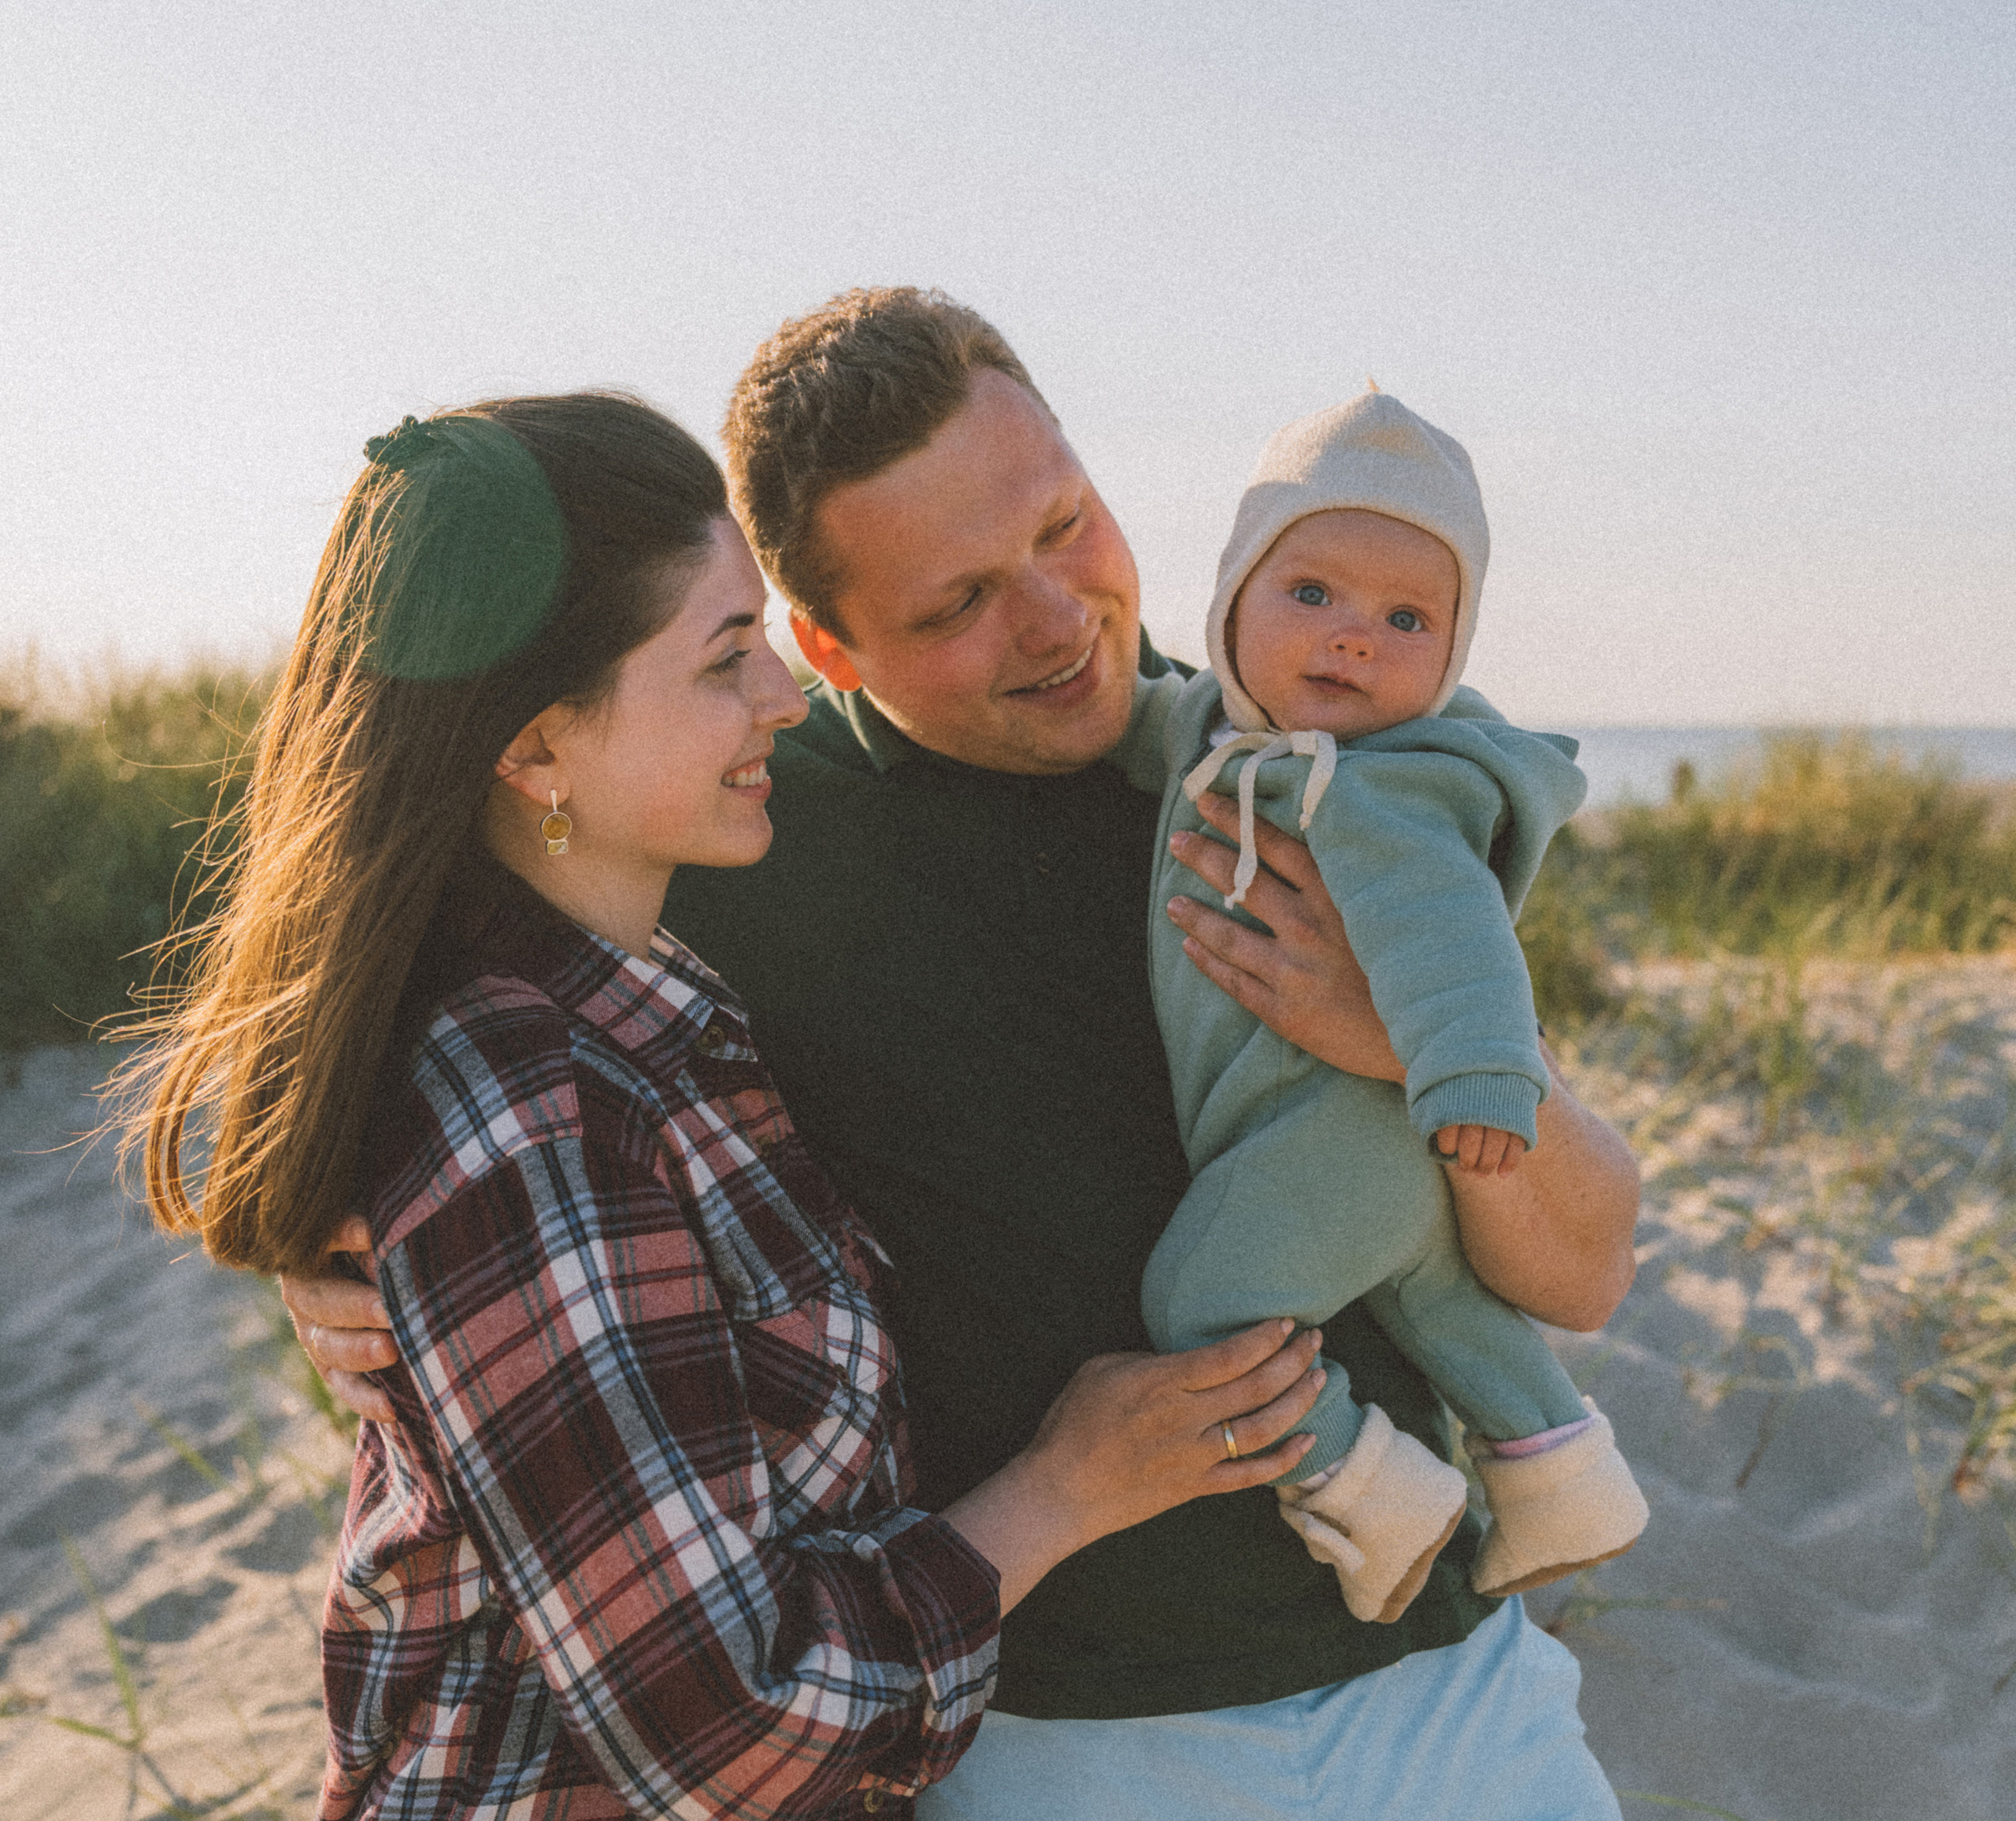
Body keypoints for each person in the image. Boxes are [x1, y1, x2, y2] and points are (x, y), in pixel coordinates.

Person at [285, 296, 1641, 1820]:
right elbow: (394, 931)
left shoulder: (1285, 766)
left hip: (1449, 1682)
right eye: (956, 606)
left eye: (1067, 524)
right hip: (1053, 1736)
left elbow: (1583, 1270)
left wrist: (1401, 1045)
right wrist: (317, 1239)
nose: (1061, 618)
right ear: (824, 644)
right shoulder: (729, 817)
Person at [127, 394, 1326, 1820]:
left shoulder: (647, 1005)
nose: (784, 700)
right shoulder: (530, 1109)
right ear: (534, 752)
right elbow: (727, 1726)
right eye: (723, 662)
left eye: (762, 639)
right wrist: (1066, 1489)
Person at [1118, 388, 1651, 1627]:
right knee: (1441, 1302)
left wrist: (1475, 1077)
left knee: (1200, 1307)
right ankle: (1560, 1471)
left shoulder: (1386, 788)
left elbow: (1453, 936)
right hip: (1350, 1141)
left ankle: (1369, 1489)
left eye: (1406, 618)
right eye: (1311, 593)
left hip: (1358, 1131)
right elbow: (1133, 723)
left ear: (1453, 657)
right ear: (1232, 597)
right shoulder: (1208, 726)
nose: (1353, 638)